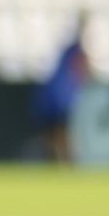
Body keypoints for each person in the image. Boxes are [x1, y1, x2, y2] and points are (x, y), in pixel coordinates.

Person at [33, 16, 90, 165]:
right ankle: (63, 160)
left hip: (58, 100)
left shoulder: (69, 50)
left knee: (59, 134)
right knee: (56, 134)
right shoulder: (71, 50)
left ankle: (65, 160)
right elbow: (83, 69)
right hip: (58, 100)